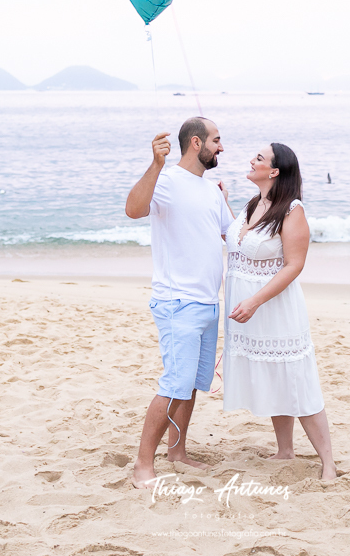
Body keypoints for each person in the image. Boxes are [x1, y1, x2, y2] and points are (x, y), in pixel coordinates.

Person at [124, 116, 234, 488]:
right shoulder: (167, 180)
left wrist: (231, 201)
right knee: (174, 383)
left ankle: (177, 451)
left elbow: (231, 234)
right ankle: (143, 465)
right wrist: (155, 165)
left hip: (208, 303)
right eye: (217, 140)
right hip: (177, 302)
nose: (222, 147)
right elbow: (134, 210)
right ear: (196, 143)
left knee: (190, 385)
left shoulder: (211, 190)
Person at [223, 143, 337, 480]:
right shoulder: (254, 205)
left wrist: (255, 301)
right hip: (247, 309)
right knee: (275, 377)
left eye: (259, 158)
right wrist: (224, 202)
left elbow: (294, 265)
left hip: (273, 308)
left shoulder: (292, 210)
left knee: (295, 380)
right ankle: (285, 450)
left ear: (274, 171)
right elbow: (244, 243)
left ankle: (328, 462)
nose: (251, 160)